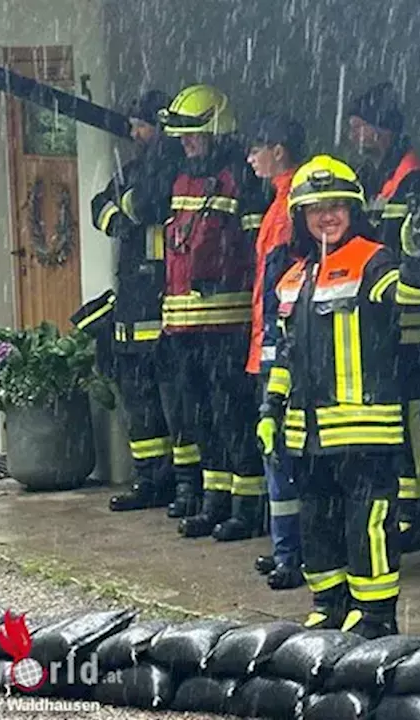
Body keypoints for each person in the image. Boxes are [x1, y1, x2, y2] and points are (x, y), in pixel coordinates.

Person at [257, 154, 420, 637]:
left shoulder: (372, 258)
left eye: (337, 205)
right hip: (307, 437)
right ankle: (329, 604)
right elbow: (284, 359)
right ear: (299, 216)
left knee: (369, 524)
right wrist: (269, 411)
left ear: (354, 209)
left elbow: (412, 297)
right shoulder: (291, 278)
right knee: (317, 523)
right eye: (316, 207)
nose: (327, 215)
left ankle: (375, 615)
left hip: (366, 432)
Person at [133, 84, 272, 542]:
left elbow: (259, 255)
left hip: (228, 326)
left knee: (235, 419)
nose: (187, 143)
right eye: (181, 136)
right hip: (183, 325)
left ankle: (246, 507)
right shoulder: (177, 177)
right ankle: (214, 503)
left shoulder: (241, 181)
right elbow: (148, 210)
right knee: (201, 419)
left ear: (218, 130)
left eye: (194, 134)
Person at [73, 89, 203, 515]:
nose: (134, 132)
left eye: (141, 125)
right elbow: (99, 204)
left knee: (177, 407)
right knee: (139, 403)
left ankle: (184, 485)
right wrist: (118, 219)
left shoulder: (176, 170)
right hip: (131, 308)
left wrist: (127, 206)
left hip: (163, 304)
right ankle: (149, 478)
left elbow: (146, 204)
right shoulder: (135, 169)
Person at [346, 82, 420, 553]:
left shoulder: (417, 180)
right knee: (394, 414)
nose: (353, 134)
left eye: (359, 126)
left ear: (380, 130)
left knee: (414, 417)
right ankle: (398, 503)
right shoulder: (377, 177)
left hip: (411, 320)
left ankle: (419, 512)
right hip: (381, 321)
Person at [244, 114, 307, 589]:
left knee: (279, 448)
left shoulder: (287, 207)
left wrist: (270, 347)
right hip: (271, 341)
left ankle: (291, 552)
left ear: (278, 150)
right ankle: (286, 546)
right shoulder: (281, 203)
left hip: (276, 345)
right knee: (278, 449)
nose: (250, 158)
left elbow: (278, 287)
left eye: (256, 148)